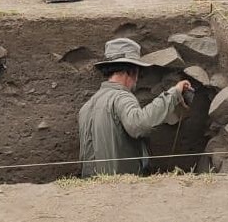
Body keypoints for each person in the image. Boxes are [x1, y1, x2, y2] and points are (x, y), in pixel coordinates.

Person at [78, 38, 193, 177]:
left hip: (93, 191)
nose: (137, 79)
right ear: (131, 71)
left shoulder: (86, 107)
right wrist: (174, 93)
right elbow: (140, 125)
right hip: (120, 190)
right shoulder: (121, 97)